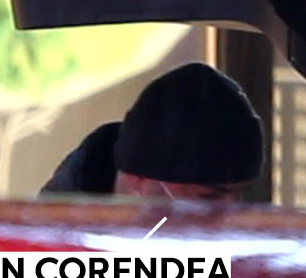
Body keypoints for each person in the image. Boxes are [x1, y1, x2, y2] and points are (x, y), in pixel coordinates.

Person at [40, 62, 264, 200]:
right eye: (208, 198)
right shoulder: (51, 248)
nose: (229, 216)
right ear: (138, 179)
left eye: (240, 195)